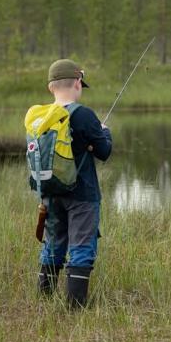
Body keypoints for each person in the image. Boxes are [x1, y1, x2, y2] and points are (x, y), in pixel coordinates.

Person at [33, 58, 112, 308]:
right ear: (78, 83)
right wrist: (104, 131)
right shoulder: (84, 115)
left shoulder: (41, 116)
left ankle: (44, 298)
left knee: (53, 244)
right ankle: (75, 307)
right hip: (83, 195)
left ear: (50, 87)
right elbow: (104, 152)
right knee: (82, 246)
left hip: (51, 192)